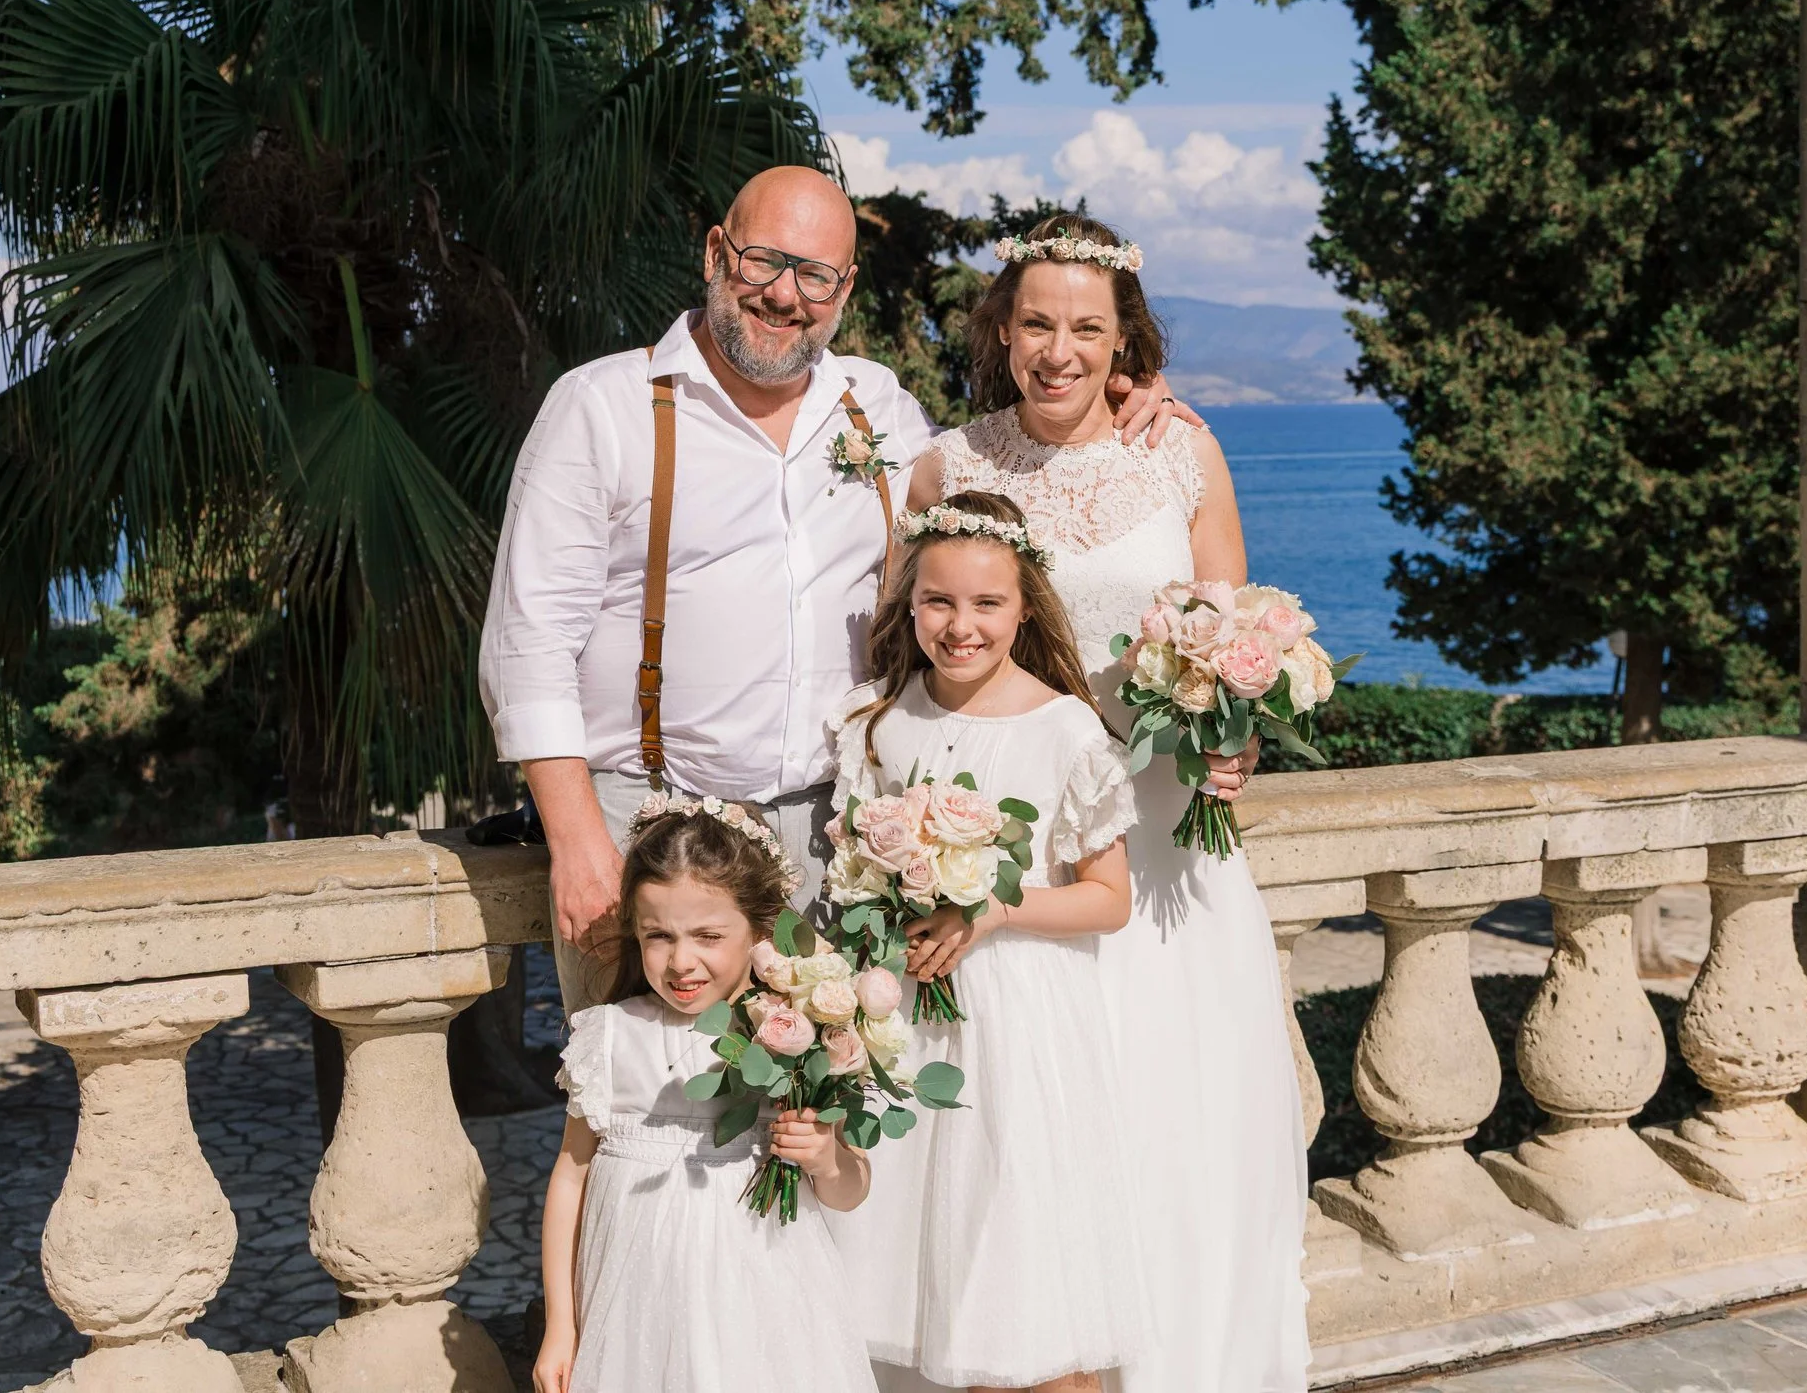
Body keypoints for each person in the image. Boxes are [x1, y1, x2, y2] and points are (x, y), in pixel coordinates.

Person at [478, 166, 1197, 1017]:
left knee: (812, 1116)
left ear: (845, 288)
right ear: (716, 253)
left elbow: (1003, 485)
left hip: (833, 830)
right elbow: (526, 642)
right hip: (649, 822)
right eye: (763, 262)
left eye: (815, 274)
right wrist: (576, 838)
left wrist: (1125, 400)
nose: (786, 295)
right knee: (646, 1106)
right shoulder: (604, 407)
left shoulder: (878, 409)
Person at [904, 215, 1310, 1393]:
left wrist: (1233, 748)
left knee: (1174, 1119)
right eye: (1036, 320)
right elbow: (911, 650)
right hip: (1025, 849)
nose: (1059, 348)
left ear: (1125, 337)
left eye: (1088, 325)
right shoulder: (945, 467)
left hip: (1169, 836)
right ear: (1000, 327)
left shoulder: (1182, 452)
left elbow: (1236, 641)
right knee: (1036, 1130)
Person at [825, 492, 1146, 1393]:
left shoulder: (1066, 729)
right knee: (931, 1266)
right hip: (916, 1030)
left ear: (1024, 608)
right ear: (909, 605)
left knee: (1025, 1274)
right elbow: (861, 877)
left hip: (1023, 1031)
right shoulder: (882, 727)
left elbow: (1108, 899)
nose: (960, 625)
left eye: (986, 604)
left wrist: (994, 911)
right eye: (939, 602)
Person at [536, 799, 875, 1393]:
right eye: (657, 936)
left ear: (761, 931)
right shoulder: (610, 1035)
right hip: (634, 1306)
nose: (681, 961)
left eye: (708, 936)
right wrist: (560, 1327)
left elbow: (849, 1191)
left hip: (760, 1305)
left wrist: (824, 1157)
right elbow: (571, 1176)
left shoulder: (798, 1035)